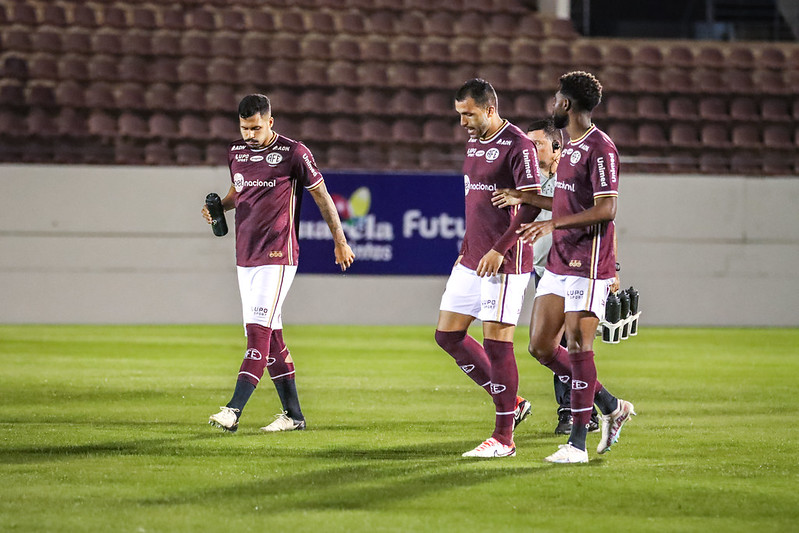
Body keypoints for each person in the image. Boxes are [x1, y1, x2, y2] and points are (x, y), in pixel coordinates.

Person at [205, 94, 355, 433]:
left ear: (270, 122)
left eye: (256, 128)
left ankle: (233, 410)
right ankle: (294, 416)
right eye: (244, 128)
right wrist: (220, 206)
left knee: (256, 334)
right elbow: (238, 192)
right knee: (271, 337)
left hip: (278, 256)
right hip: (245, 256)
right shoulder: (236, 153)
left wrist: (340, 241)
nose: (250, 135)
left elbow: (322, 196)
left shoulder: (293, 153)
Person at [517, 72, 635, 464]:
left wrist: (553, 224)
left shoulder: (601, 149)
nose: (553, 101)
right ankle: (610, 404)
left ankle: (578, 444)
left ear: (566, 104)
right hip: (559, 261)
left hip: (588, 261)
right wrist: (526, 198)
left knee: (580, 346)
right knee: (540, 346)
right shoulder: (567, 149)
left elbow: (607, 209)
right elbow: (567, 204)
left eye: (556, 97)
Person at [435, 78, 550, 458]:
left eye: (468, 114)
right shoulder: (474, 142)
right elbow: (477, 205)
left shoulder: (517, 145)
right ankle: (513, 404)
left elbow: (531, 203)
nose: (463, 122)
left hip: (506, 260)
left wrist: (501, 249)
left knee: (497, 345)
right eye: (459, 115)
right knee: (447, 336)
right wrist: (467, 247)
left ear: (489, 108)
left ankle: (504, 438)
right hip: (473, 258)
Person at [493, 119, 600, 435]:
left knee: (566, 341)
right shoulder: (525, 178)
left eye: (535, 143)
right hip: (542, 271)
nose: (527, 147)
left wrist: (614, 267)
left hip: (575, 268)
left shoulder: (574, 175)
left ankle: (573, 411)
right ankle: (592, 407)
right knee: (553, 345)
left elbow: (600, 216)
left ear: (557, 147)